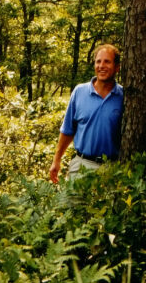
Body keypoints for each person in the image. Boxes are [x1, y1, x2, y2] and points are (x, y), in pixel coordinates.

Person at [49, 44, 123, 183]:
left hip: (112, 169)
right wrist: (56, 161)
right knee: (71, 205)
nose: (101, 66)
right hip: (81, 166)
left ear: (117, 67)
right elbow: (68, 130)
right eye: (98, 61)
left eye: (107, 61)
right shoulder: (79, 92)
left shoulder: (124, 96)